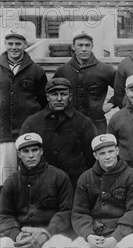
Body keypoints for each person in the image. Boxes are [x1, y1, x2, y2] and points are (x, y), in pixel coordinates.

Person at [20, 78, 97, 188]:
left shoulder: (84, 123)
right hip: (42, 184)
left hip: (74, 184)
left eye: (63, 94)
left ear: (70, 96)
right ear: (47, 97)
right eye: (54, 94)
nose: (59, 99)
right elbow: (23, 157)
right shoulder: (32, 122)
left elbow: (91, 158)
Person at [1, 28, 47, 186]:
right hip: (3, 132)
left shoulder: (37, 71)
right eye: (10, 43)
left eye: (18, 43)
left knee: (29, 175)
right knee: (5, 177)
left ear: (25, 44)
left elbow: (44, 102)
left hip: (27, 131)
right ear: (5, 44)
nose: (14, 47)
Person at [53, 30, 116, 133]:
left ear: (92, 46)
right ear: (73, 47)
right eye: (80, 45)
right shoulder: (63, 70)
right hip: (68, 123)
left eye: (87, 45)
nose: (84, 49)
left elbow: (123, 88)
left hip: (96, 124)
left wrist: (110, 104)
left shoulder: (105, 69)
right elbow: (51, 94)